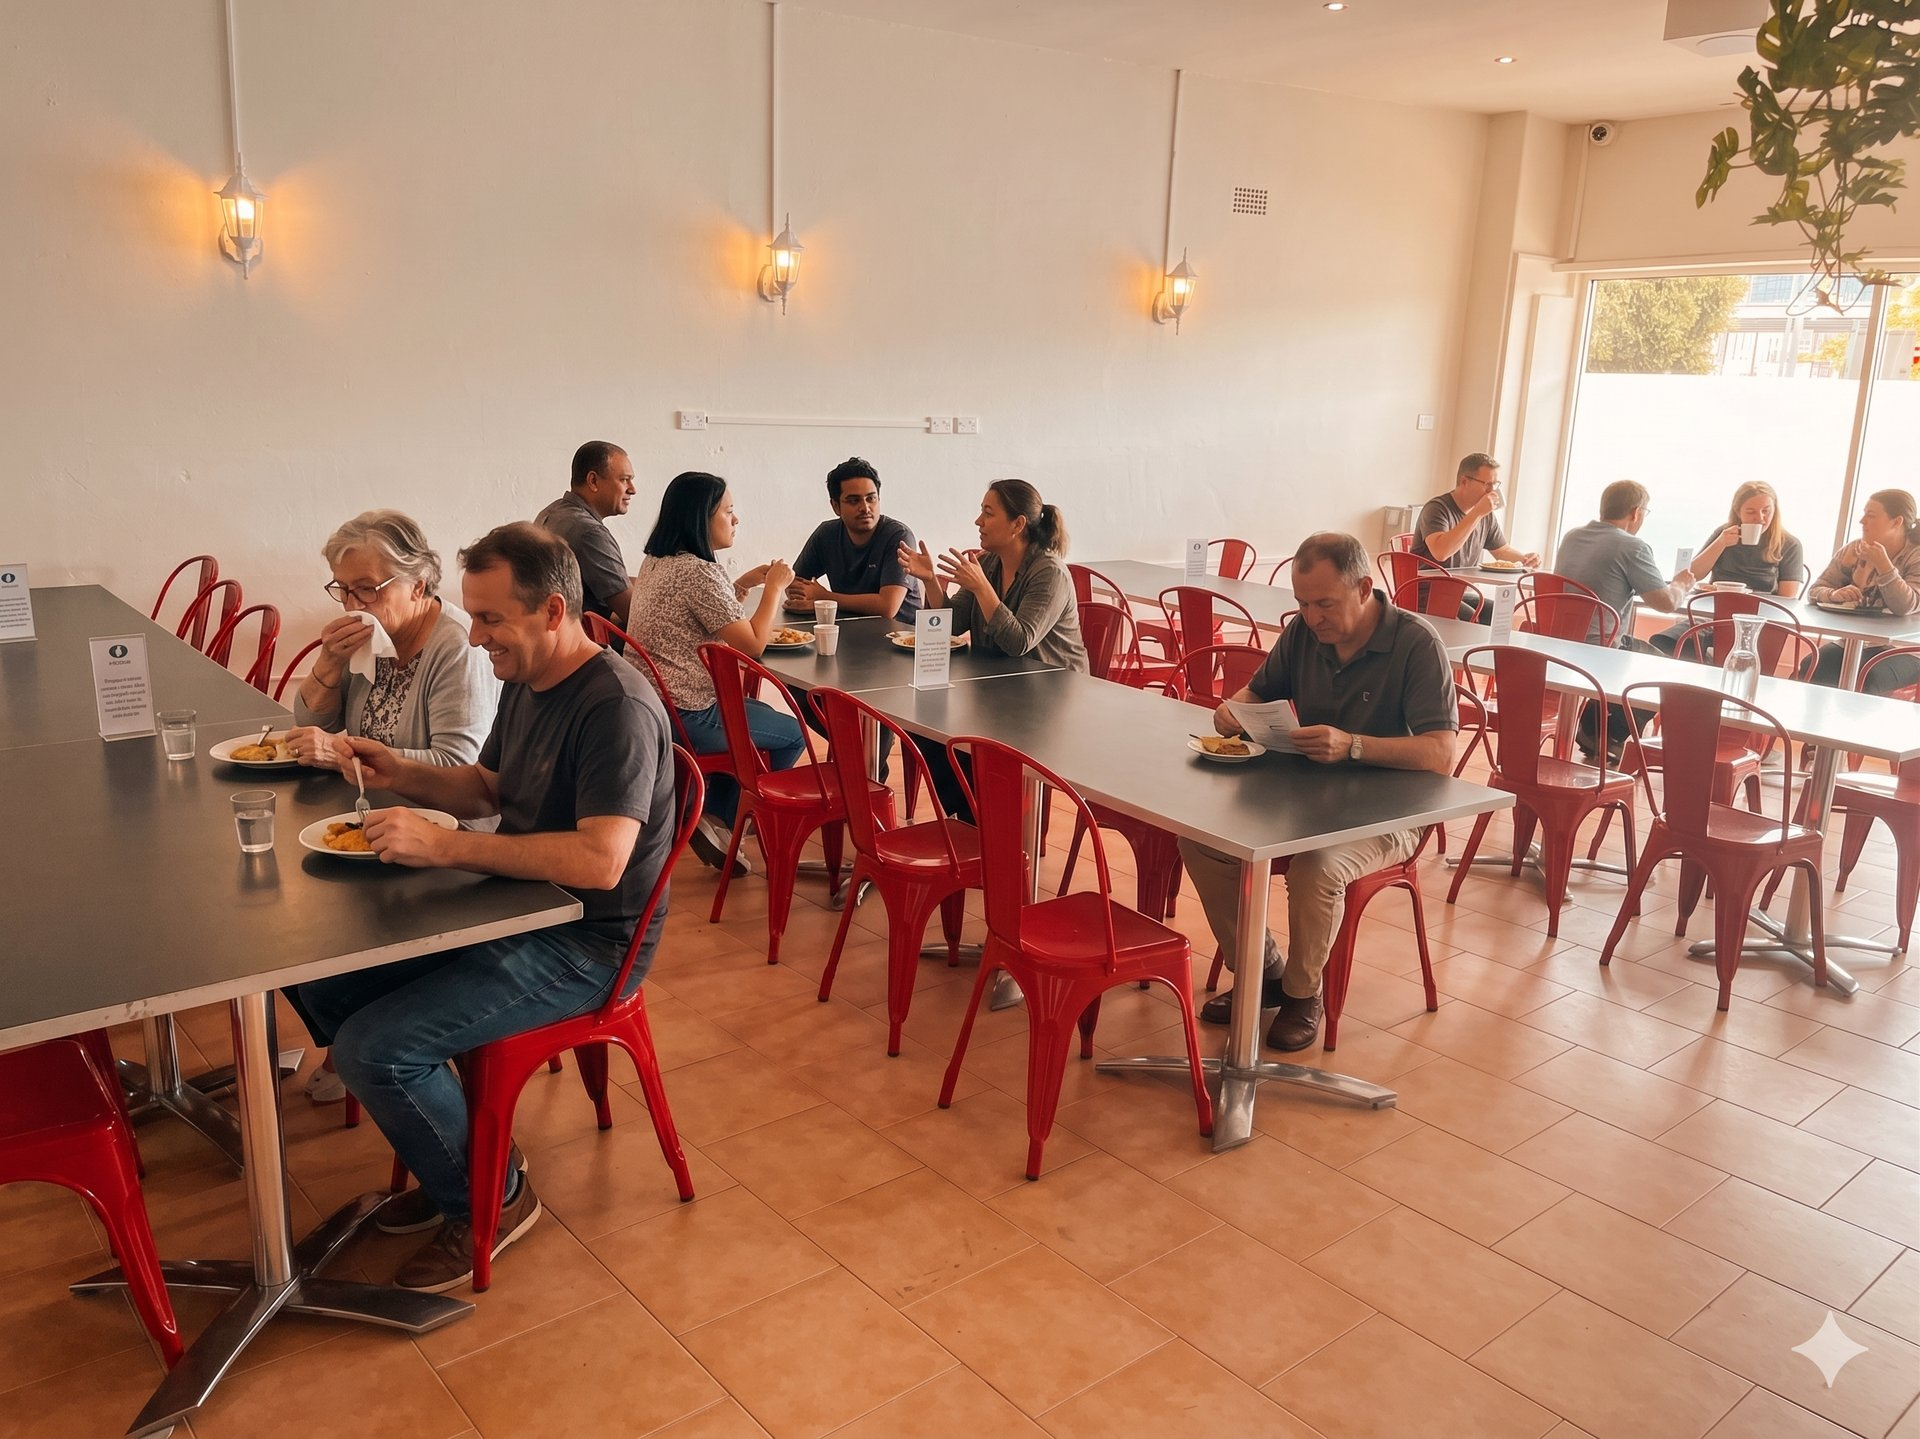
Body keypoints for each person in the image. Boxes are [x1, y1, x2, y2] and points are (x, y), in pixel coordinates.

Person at [283, 523, 678, 1293]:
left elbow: (601, 861)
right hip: (522, 908)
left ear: (554, 610)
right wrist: (397, 770)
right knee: (320, 978)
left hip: (588, 945)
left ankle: (490, 1194)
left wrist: (448, 848)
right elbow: (489, 788)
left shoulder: (616, 707)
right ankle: (459, 1155)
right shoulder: (532, 680)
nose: (476, 634)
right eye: (473, 612)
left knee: (373, 1048)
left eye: (492, 618)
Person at [1179, 533, 1457, 1052]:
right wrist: (1234, 708)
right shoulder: (1304, 634)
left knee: (1317, 866)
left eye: (1324, 603)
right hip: (1305, 798)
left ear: (1364, 589)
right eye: (1302, 604)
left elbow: (1441, 752)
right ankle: (1262, 972)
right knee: (1201, 840)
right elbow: (1258, 691)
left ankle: (1304, 994)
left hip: (1391, 813)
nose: (1312, 617)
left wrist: (1353, 746)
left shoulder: (1416, 644)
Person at [627, 471, 803, 870]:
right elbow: (754, 644)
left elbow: (708, 612)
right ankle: (734, 820)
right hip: (688, 712)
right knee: (792, 734)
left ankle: (716, 819)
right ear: (701, 517)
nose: (735, 519)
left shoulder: (659, 561)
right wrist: (774, 586)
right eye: (729, 511)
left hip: (653, 703)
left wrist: (739, 584)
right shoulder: (696, 573)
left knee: (753, 730)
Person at [899, 479, 1088, 819]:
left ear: (1018, 525)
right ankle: (974, 820)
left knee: (972, 744)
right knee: (925, 728)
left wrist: (983, 589)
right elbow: (952, 626)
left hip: (1048, 698)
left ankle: (991, 827)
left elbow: (1020, 642)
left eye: (988, 513)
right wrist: (930, 580)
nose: (978, 521)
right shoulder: (989, 564)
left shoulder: (1049, 573)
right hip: (1000, 689)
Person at [1552, 480, 1696, 761]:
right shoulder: (1633, 547)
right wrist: (1681, 585)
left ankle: (1595, 728)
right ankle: (1609, 733)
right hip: (1598, 648)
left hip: (1557, 639)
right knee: (1668, 670)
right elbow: (1665, 603)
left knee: (1637, 650)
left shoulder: (1571, 536)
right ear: (1636, 512)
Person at [1651, 481, 1804, 654]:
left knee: (1708, 641)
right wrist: (1721, 543)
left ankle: (1710, 668)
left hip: (1759, 619)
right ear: (1738, 512)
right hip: (1715, 612)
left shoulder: (1789, 544)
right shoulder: (1724, 533)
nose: (1760, 518)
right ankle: (1703, 670)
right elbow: (1692, 574)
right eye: (1751, 512)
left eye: (1766, 511)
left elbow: (1788, 599)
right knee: (1667, 642)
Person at [784, 457, 923, 623]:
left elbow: (887, 607)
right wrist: (808, 599)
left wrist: (824, 598)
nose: (865, 508)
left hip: (899, 638)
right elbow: (794, 584)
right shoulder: (826, 534)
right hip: (847, 629)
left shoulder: (898, 536)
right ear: (835, 506)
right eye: (853, 501)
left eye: (871, 498)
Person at [1807, 488, 1920, 692]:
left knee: (1868, 678)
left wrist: (1885, 566)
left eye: (1871, 515)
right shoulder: (1854, 550)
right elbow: (1815, 589)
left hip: (1908, 649)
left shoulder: (1915, 555)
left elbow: (1906, 606)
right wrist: (1833, 595)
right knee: (1812, 666)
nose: (1862, 521)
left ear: (1896, 522)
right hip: (1856, 644)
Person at [536, 441, 637, 634]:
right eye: (624, 479)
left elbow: (612, 580)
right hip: (585, 648)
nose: (632, 489)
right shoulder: (589, 533)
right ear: (593, 481)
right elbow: (633, 614)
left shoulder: (551, 512)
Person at [1411, 454, 1541, 572]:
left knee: (1508, 599)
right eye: (1487, 484)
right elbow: (1441, 552)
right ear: (1464, 482)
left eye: (1494, 485)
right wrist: (1477, 513)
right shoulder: (1437, 508)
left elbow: (1502, 551)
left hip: (1465, 590)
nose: (1491, 491)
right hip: (1429, 591)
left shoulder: (1485, 514)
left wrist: (1525, 560)